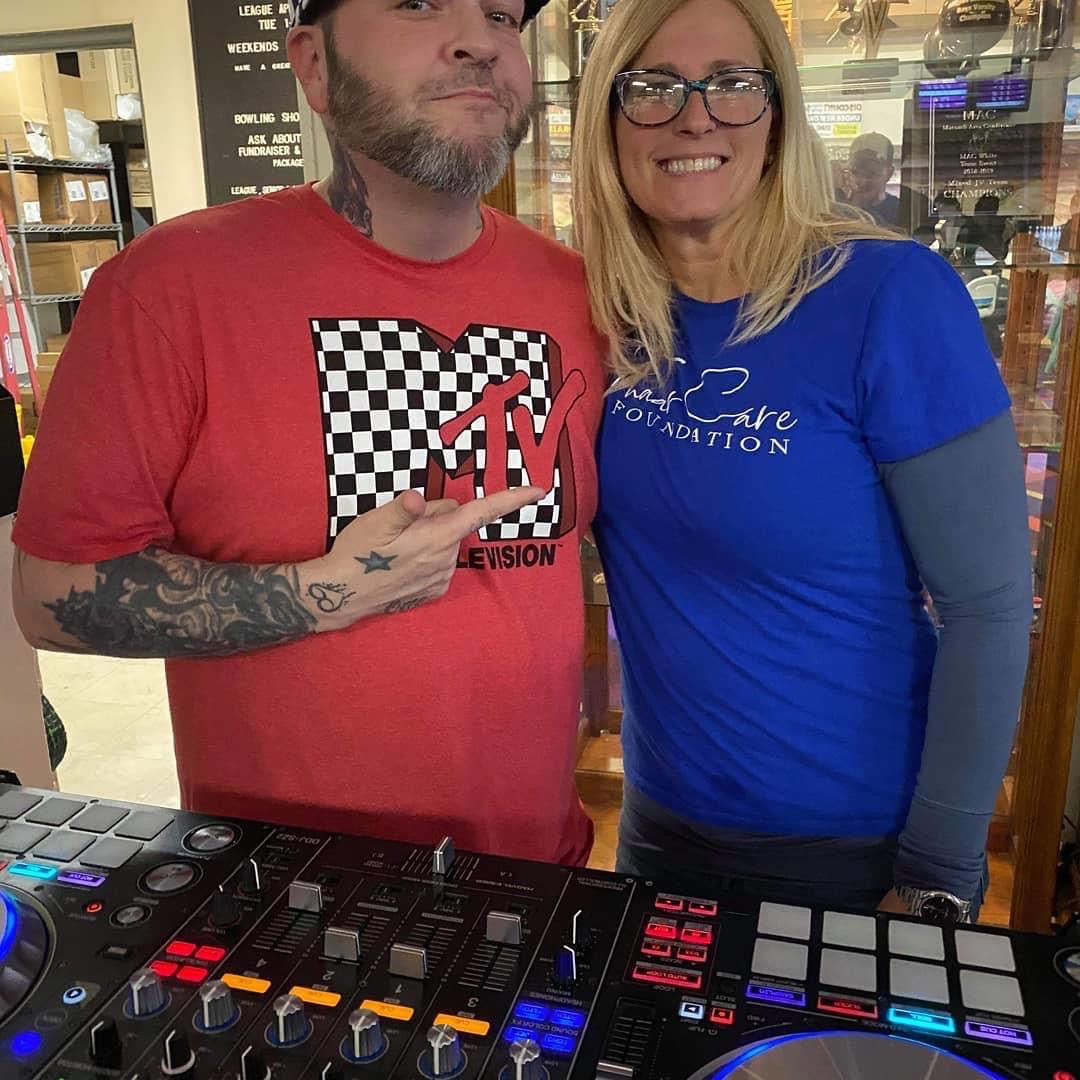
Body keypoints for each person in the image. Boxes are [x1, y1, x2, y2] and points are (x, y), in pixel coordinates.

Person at [12, 0, 605, 865]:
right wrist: (329, 590)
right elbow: (50, 598)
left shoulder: (582, 295)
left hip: (537, 871)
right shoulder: (170, 287)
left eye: (502, 15)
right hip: (282, 888)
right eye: (418, 4)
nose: (479, 41)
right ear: (314, 64)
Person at [572, 0, 1032, 918]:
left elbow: (988, 608)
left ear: (779, 113)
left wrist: (938, 873)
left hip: (856, 851)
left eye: (732, 84)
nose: (694, 117)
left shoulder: (889, 295)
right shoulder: (603, 313)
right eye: (653, 86)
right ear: (607, 121)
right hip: (659, 828)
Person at [840, 132, 901, 226]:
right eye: (855, 171)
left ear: (889, 173)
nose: (862, 181)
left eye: (871, 173)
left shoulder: (900, 212)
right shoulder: (837, 209)